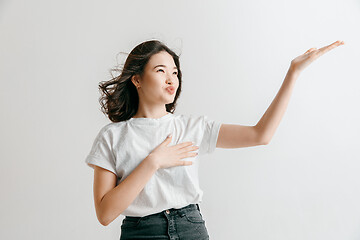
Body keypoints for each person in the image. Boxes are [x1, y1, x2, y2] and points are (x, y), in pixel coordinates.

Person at [85, 39, 344, 239]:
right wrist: (153, 162)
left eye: (175, 72)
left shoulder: (193, 127)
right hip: (142, 232)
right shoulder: (113, 136)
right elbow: (105, 213)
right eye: (161, 70)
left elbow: (261, 134)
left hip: (191, 228)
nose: (170, 79)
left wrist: (293, 73)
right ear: (137, 79)